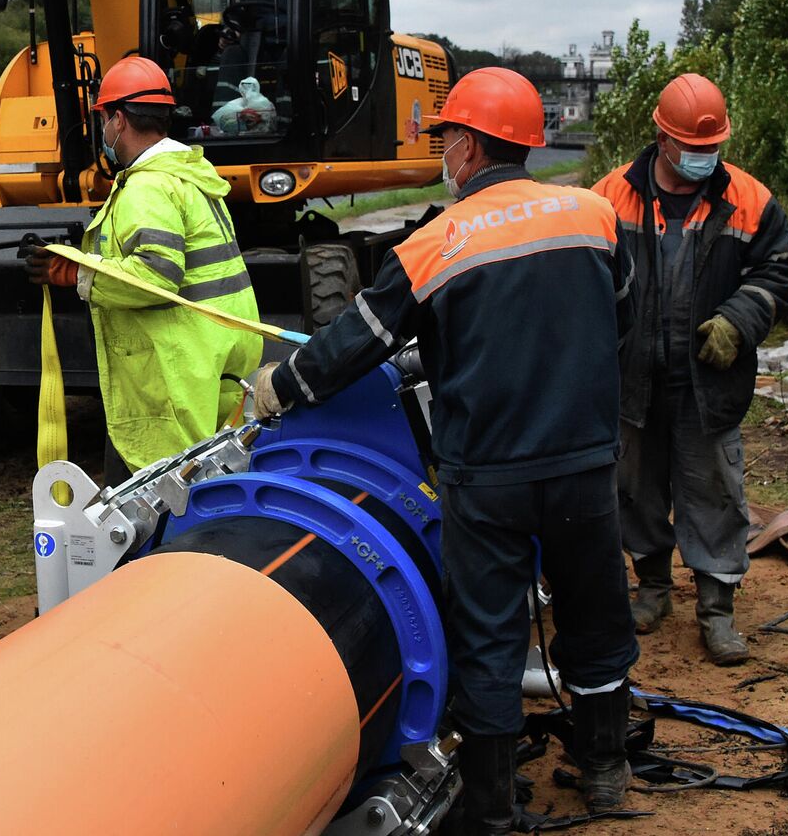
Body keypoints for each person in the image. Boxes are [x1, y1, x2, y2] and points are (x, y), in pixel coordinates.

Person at [250, 67, 640, 831]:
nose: (444, 153)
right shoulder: (595, 215)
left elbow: (354, 345)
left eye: (446, 140)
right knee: (596, 619)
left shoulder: (435, 244)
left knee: (489, 636)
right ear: (528, 144)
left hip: (487, 478)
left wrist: (282, 387)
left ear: (466, 143)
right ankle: (604, 772)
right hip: (584, 467)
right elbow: (616, 319)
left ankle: (492, 809)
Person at [592, 74, 788, 666]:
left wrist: (738, 320)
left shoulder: (752, 201)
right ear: (660, 136)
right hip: (633, 378)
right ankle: (653, 589)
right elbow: (583, 271)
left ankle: (717, 610)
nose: (705, 158)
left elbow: (778, 274)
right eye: (693, 148)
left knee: (714, 493)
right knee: (635, 489)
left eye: (713, 148)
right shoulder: (610, 196)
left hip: (708, 382)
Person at [26, 56, 263, 484]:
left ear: (118, 120)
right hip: (211, 361)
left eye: (104, 119)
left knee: (152, 511)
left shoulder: (148, 186)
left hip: (171, 377)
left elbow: (154, 276)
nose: (104, 130)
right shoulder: (192, 177)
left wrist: (78, 275)